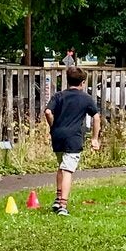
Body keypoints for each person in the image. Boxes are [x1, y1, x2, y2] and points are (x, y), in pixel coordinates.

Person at [44, 66, 101, 216]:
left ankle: (57, 199)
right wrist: (94, 138)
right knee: (68, 170)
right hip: (73, 138)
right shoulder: (86, 99)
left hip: (57, 136)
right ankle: (63, 205)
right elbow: (96, 117)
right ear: (82, 82)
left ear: (67, 81)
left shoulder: (59, 96)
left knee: (62, 166)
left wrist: (53, 125)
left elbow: (48, 112)